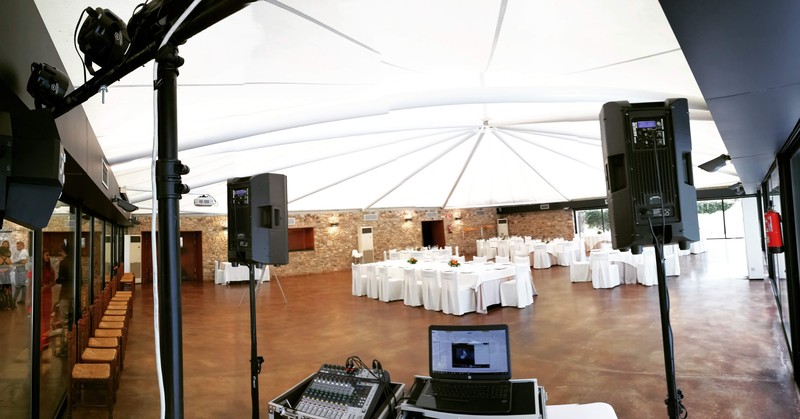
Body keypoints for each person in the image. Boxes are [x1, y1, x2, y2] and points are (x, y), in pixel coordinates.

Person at [55, 242, 72, 356]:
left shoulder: (63, 262)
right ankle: (72, 344)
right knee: (71, 321)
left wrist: (54, 282)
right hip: (74, 294)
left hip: (66, 293)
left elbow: (61, 278)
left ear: (63, 251)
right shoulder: (75, 261)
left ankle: (65, 347)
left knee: (65, 322)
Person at [40, 251, 55, 350]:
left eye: (49, 255)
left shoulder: (51, 268)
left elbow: (53, 281)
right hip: (40, 293)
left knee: (47, 315)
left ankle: (46, 339)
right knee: (41, 316)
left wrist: (48, 286)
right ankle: (40, 340)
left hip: (48, 292)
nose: (48, 257)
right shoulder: (39, 268)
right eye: (46, 255)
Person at [12, 241, 29, 305]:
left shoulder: (23, 252)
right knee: (23, 285)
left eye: (19, 246)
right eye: (17, 246)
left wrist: (14, 263)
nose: (17, 247)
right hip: (23, 270)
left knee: (18, 286)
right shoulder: (23, 252)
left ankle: (13, 300)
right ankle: (23, 300)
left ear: (23, 246)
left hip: (21, 270)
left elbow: (23, 261)